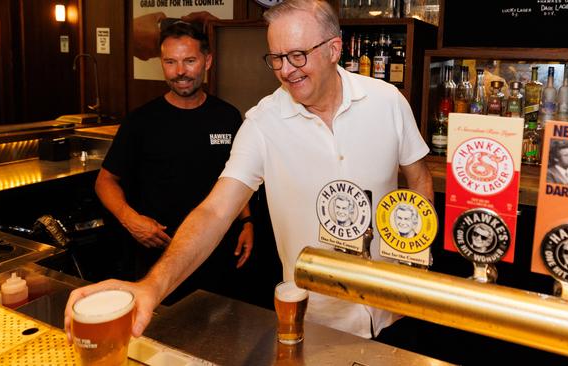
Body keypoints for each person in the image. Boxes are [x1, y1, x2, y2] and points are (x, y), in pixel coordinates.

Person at [65, 0, 432, 341]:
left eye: (298, 56)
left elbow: (418, 177)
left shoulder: (387, 101)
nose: (286, 70)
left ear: (334, 49)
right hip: (314, 315)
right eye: (276, 58)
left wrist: (415, 264)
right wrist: (152, 285)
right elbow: (215, 209)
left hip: (393, 304)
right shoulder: (263, 122)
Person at [95, 20, 253, 304]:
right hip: (159, 255)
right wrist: (130, 219)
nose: (180, 72)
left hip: (217, 250)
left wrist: (248, 222)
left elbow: (236, 177)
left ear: (207, 61)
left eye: (189, 61)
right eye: (171, 62)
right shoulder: (141, 121)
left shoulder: (227, 116)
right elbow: (105, 181)